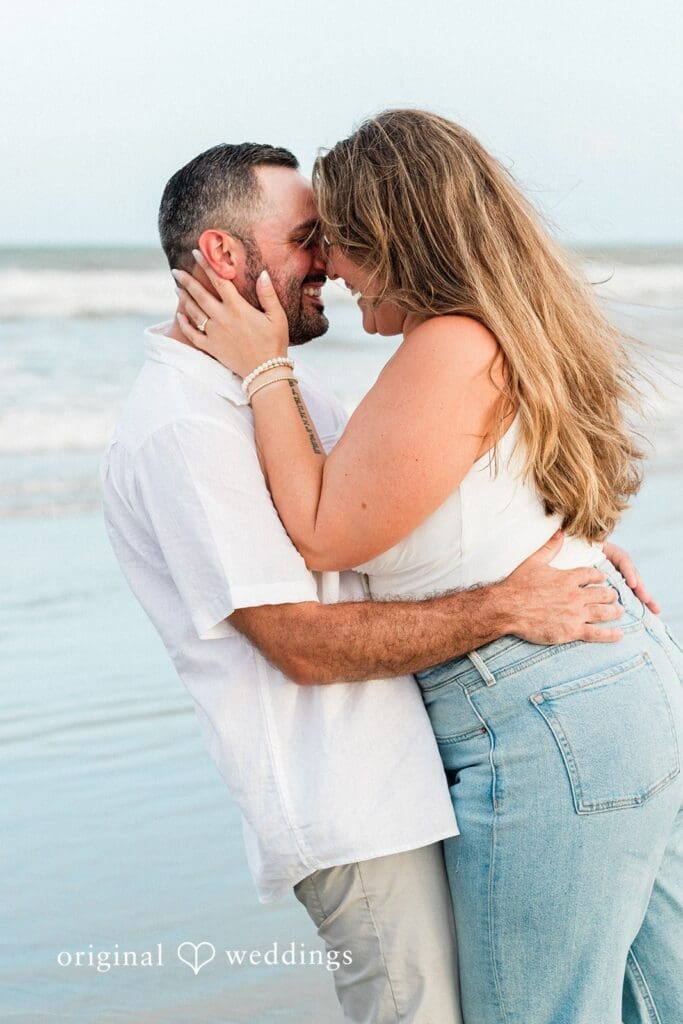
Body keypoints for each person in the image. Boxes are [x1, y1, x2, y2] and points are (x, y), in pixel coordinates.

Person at [101, 142, 644, 1024]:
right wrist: (504, 605)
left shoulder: (270, 385)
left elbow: (408, 505)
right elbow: (298, 644)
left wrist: (561, 547)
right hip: (347, 803)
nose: (330, 260)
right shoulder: (181, 429)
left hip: (413, 778)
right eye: (308, 237)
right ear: (223, 255)